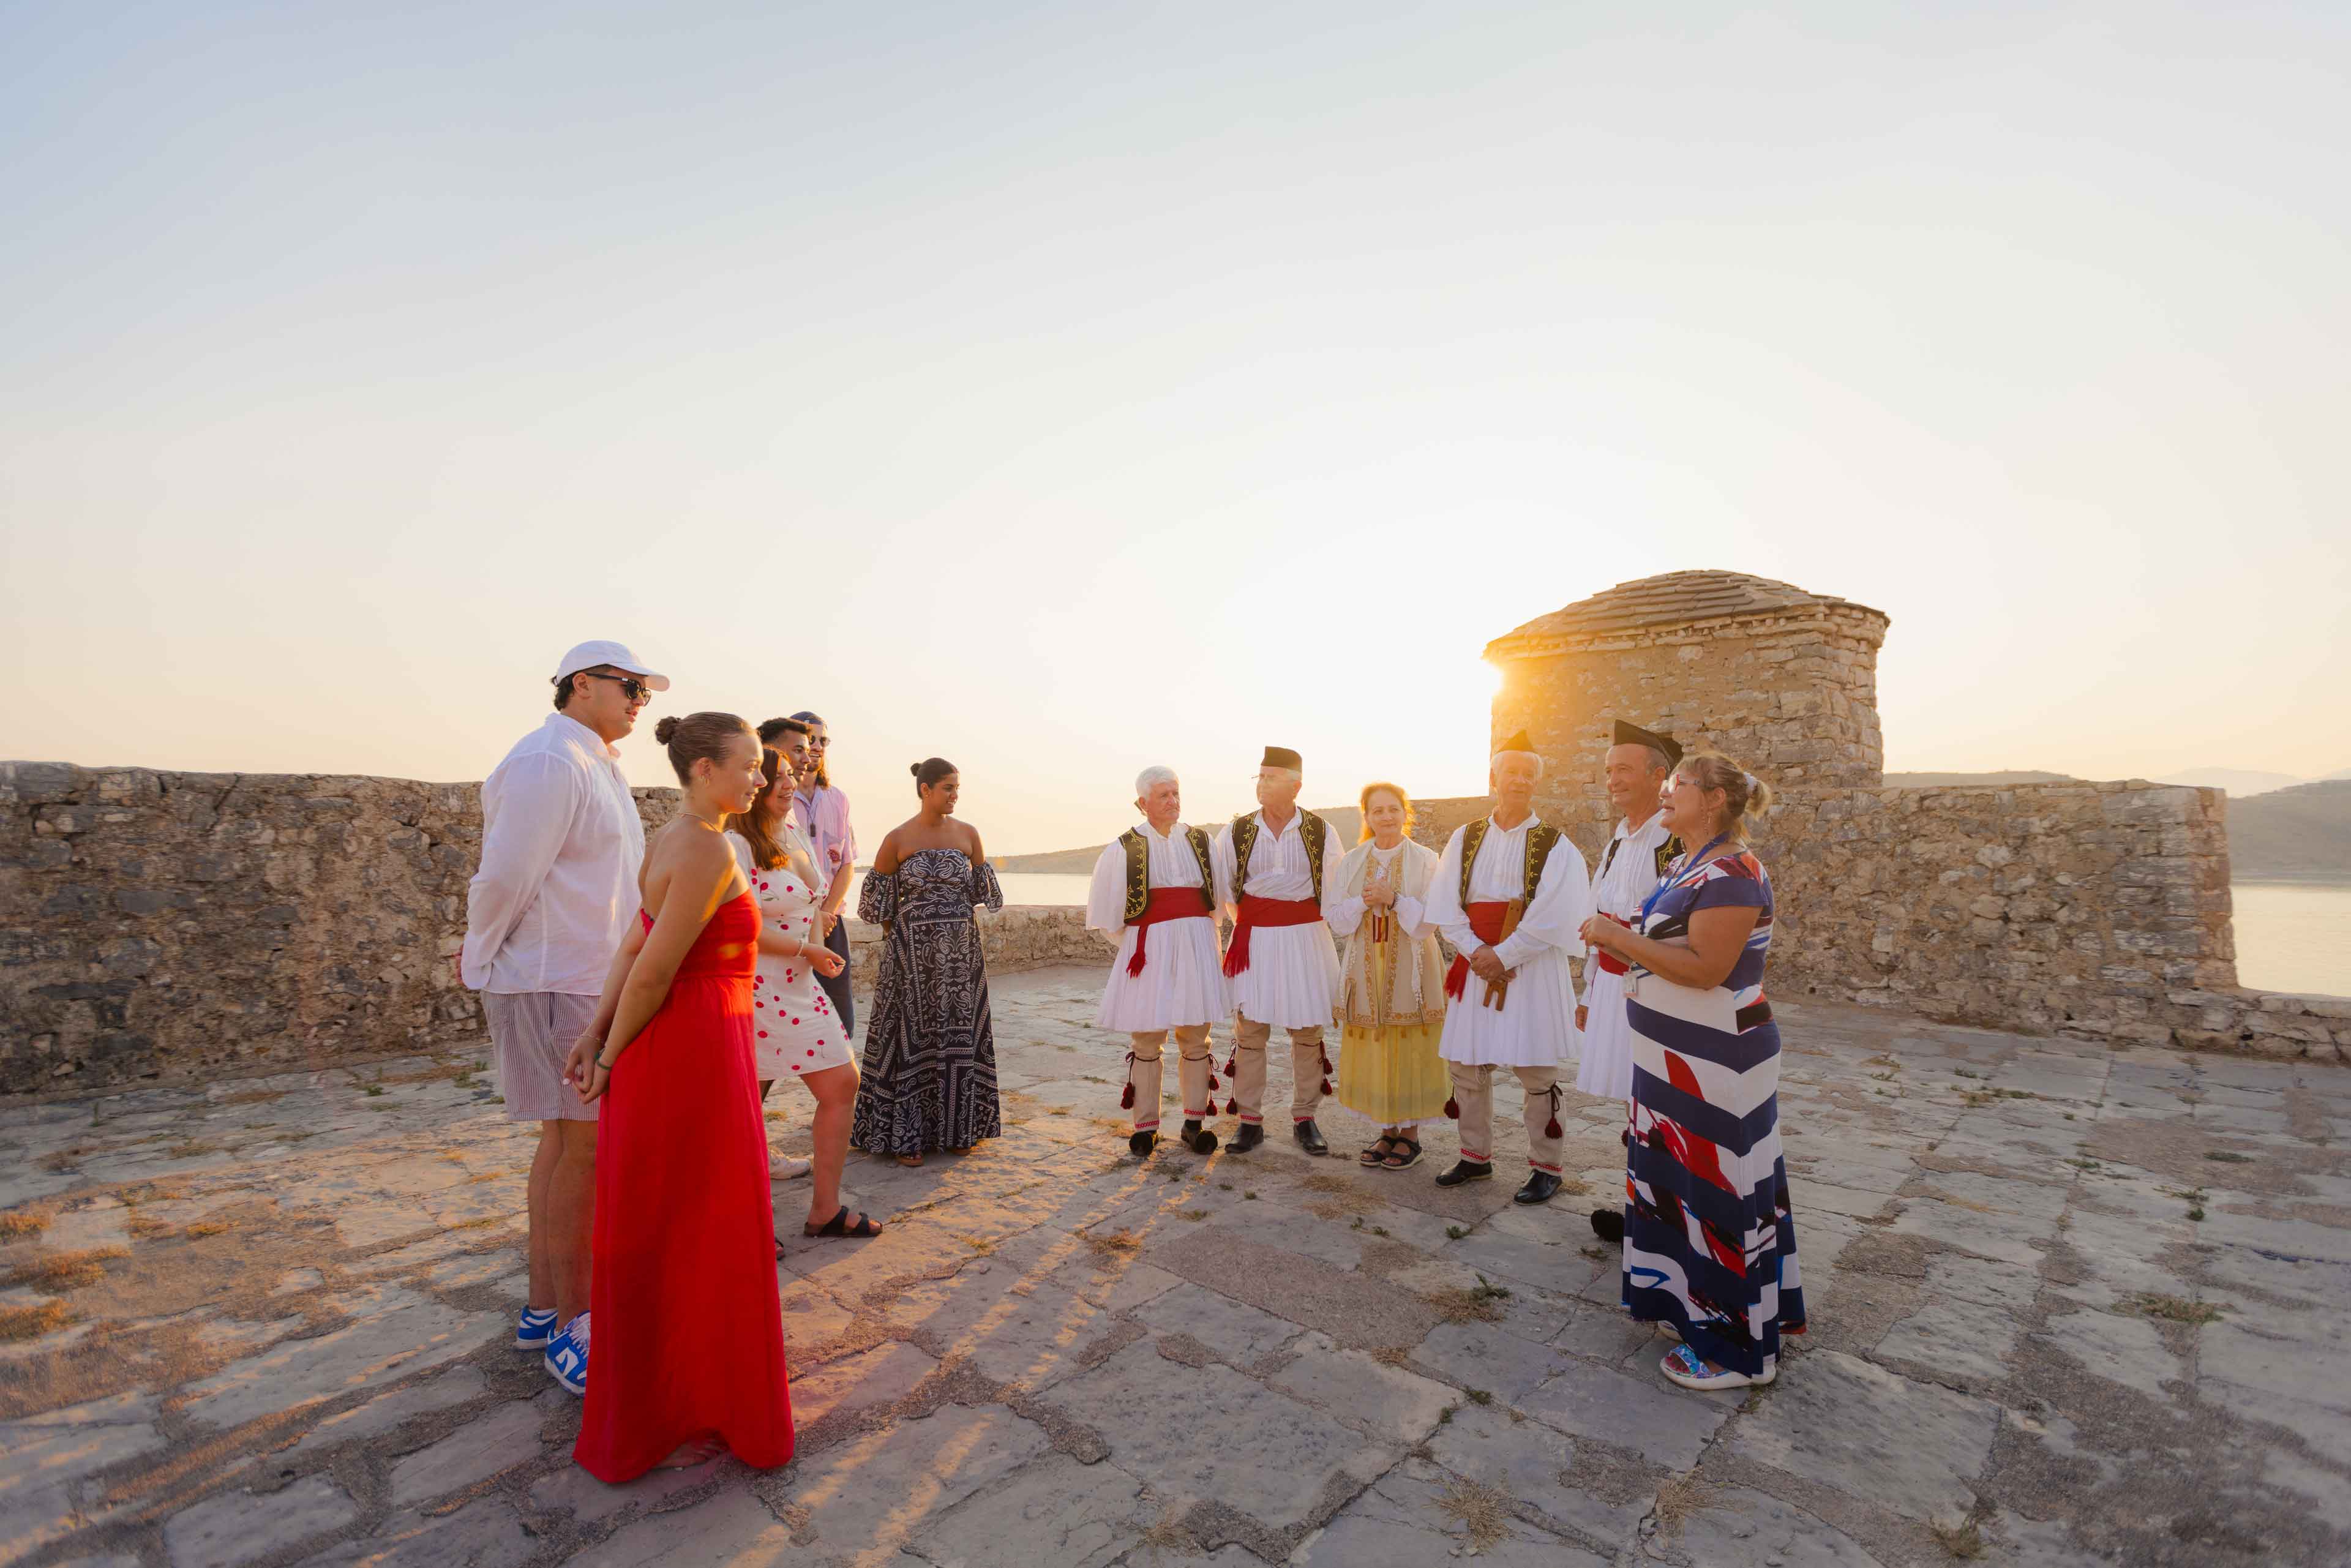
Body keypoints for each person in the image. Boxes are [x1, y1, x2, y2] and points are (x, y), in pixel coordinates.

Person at [558, 711, 792, 1479]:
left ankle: (679, 1392)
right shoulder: (706, 847)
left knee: (672, 1223)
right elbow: (652, 968)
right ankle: (693, 1399)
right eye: (749, 764)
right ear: (704, 770)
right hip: (690, 1053)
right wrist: (606, 1053)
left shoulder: (671, 837)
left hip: (684, 1045)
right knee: (704, 1222)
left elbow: (634, 942)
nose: (760, 776)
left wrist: (597, 1033)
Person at [459, 639, 665, 1370]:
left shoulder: (592, 761)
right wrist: (482, 955)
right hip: (558, 978)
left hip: (579, 975)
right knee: (585, 1149)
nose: (641, 702)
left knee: (565, 1143)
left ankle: (546, 1307)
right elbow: (505, 876)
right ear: (582, 684)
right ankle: (576, 1328)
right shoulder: (550, 761)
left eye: (646, 692)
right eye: (631, 687)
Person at [1580, 751, 1805, 1392]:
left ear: (1712, 799)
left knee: (1716, 1190)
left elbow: (1708, 967)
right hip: (1673, 1060)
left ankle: (1738, 1351)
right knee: (1678, 1186)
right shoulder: (1686, 863)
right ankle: (1693, 1310)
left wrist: (1615, 937)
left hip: (1717, 1058)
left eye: (1677, 783)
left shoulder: (1734, 870)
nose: (1667, 792)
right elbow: (1669, 941)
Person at [1425, 730, 1594, 1206]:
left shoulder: (1556, 846)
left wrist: (1505, 954)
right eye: (1511, 772)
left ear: (1536, 782)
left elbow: (1554, 915)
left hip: (1530, 968)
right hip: (1476, 962)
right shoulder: (1465, 837)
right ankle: (1475, 1156)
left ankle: (1546, 1166)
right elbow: (1445, 904)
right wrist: (1478, 951)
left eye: (1527, 774)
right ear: (1493, 777)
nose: (1519, 780)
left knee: (1536, 1069)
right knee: (1467, 1065)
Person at [725, 742, 879, 1242]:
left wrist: (816, 952)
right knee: (743, 1110)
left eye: (792, 774)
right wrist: (804, 949)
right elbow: (740, 926)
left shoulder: (792, 832)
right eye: (777, 776)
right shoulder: (735, 844)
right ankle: (743, 1227)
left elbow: (814, 903)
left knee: (842, 1084)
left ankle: (825, 1209)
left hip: (801, 984)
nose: (789, 783)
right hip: (755, 989)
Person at [850, 758, 1004, 1166]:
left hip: (960, 955)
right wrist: (901, 943)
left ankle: (959, 1129)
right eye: (948, 788)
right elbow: (878, 906)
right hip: (910, 958)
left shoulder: (969, 834)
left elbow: (981, 893)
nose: (955, 795)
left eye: (958, 788)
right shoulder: (898, 838)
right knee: (911, 1039)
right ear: (926, 790)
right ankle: (907, 1137)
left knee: (959, 1036)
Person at [1086, 766, 1226, 1158]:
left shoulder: (1202, 841)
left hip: (1196, 945)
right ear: (1142, 803)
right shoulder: (1124, 847)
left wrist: (1195, 939)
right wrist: (1147, 942)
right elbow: (1111, 915)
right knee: (1147, 1037)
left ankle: (1194, 1123)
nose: (1173, 801)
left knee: (1196, 1033)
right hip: (1149, 949)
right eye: (1164, 795)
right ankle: (1146, 1127)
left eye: (1176, 793)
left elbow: (1216, 903)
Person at [1577, 721, 1682, 1245]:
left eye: (1623, 769)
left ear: (1659, 776)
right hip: (1614, 987)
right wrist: (1588, 989)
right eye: (1608, 770)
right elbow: (1597, 917)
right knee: (1634, 1102)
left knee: (1663, 1104)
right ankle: (1644, 1209)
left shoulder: (1675, 841)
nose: (1612, 780)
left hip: (1657, 989)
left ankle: (1671, 1218)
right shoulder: (1618, 839)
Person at [1213, 746, 1344, 1156]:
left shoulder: (1321, 831)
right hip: (1255, 938)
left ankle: (1305, 1118)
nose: (1262, 784)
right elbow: (1224, 891)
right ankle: (1249, 1121)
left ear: (1296, 785)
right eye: (1260, 776)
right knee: (1250, 1031)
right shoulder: (1236, 832)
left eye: (1271, 777)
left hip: (1306, 937)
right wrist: (1256, 922)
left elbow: (1336, 890)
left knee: (1307, 1032)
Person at [1323, 783, 1449, 1169]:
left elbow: (1428, 922)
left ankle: (1410, 1136)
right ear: (1366, 816)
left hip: (1412, 963)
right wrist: (1365, 901)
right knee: (1377, 1044)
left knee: (1409, 1044)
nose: (1387, 817)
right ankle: (1386, 1131)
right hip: (1365, 965)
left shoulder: (1426, 860)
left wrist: (1393, 899)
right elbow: (1338, 921)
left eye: (1393, 809)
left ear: (1405, 813)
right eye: (1377, 810)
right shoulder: (1352, 862)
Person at [785, 711, 857, 1037]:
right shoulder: (775, 797)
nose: (816, 746)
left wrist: (826, 913)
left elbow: (847, 863)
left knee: (840, 1020)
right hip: (790, 922)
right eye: (809, 739)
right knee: (790, 1017)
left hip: (831, 923)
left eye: (822, 740)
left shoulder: (838, 799)